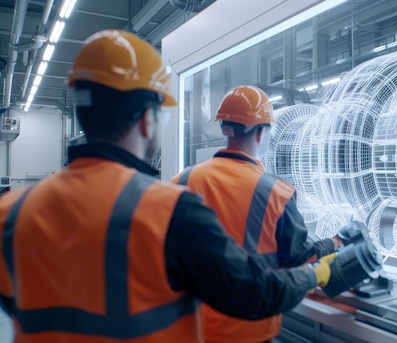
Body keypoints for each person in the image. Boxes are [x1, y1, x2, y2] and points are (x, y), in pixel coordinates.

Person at [0, 30, 338, 342]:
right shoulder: (169, 211)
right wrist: (315, 273)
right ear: (148, 120)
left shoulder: (10, 213)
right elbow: (252, 294)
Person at [172, 85, 360, 343]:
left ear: (225, 129)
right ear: (262, 133)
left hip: (187, 329)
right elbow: (301, 259)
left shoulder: (181, 180)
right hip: (246, 331)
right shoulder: (276, 193)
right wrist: (338, 241)